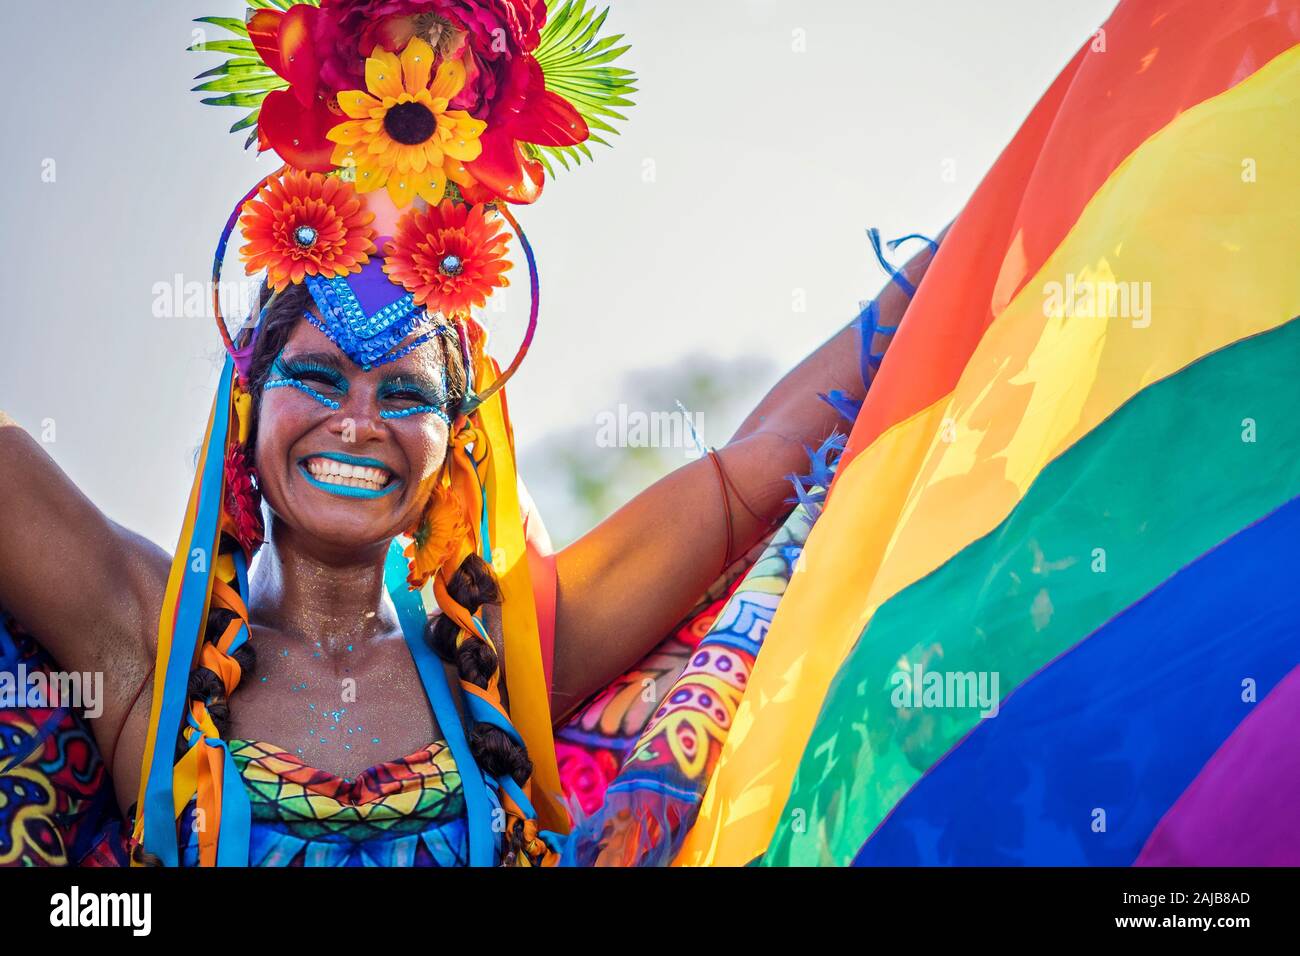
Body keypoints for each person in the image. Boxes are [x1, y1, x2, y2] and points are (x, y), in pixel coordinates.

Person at [0, 0, 937, 867]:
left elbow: (755, 473)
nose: (358, 423)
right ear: (247, 401)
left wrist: (956, 265)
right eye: (318, 378)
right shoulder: (144, 644)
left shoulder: (506, 653)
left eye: (405, 395)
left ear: (458, 441)